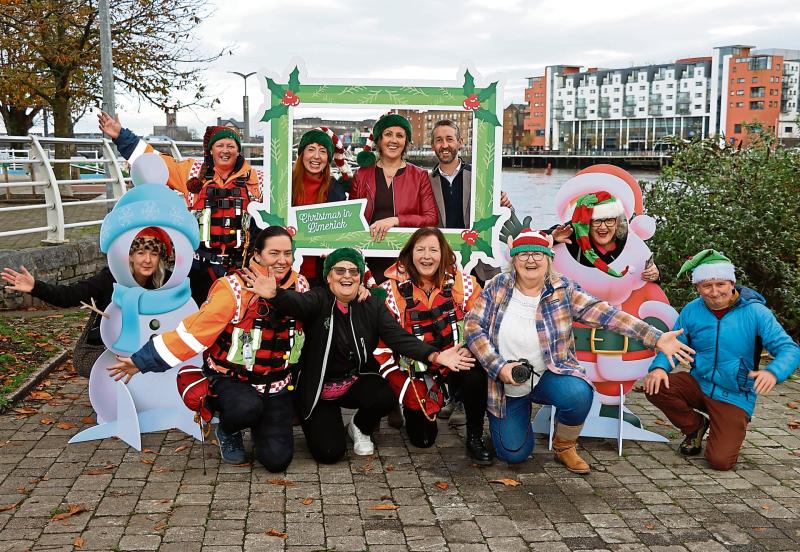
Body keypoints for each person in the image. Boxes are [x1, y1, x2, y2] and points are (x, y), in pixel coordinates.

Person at [464, 229, 695, 472]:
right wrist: (498, 367)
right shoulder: (497, 286)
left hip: (550, 372)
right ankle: (510, 426)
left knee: (579, 394)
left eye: (537, 254)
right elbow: (472, 326)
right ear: (513, 259)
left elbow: (607, 314)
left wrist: (655, 338)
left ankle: (565, 446)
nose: (530, 260)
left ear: (548, 259)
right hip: (506, 382)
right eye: (523, 254)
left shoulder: (562, 288)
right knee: (514, 454)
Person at [107, 227, 311, 472]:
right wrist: (141, 361)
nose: (282, 260)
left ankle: (263, 423)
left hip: (276, 383)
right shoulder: (233, 289)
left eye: (287, 253)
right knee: (245, 408)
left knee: (277, 461)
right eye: (274, 253)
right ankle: (227, 428)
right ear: (256, 254)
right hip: (234, 380)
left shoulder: (300, 284)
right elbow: (191, 334)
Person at [250, 247, 475, 463]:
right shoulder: (318, 299)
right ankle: (327, 424)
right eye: (339, 270)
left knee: (385, 395)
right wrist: (275, 295)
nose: (346, 276)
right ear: (328, 277)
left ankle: (359, 426)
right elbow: (296, 302)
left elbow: (398, 337)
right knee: (329, 453)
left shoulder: (371, 305)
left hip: (354, 383)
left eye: (353, 271)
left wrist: (436, 356)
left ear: (359, 278)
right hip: (320, 391)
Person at [644, 250, 800, 471]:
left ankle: (726, 426)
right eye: (707, 286)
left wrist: (774, 371)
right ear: (697, 287)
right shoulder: (691, 310)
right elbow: (674, 345)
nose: (715, 292)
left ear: (732, 283)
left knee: (720, 462)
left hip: (735, 394)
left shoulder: (756, 312)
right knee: (656, 384)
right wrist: (659, 367)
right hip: (700, 383)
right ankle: (695, 427)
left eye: (720, 284)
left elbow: (789, 348)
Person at [98, 112, 262, 305]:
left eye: (231, 146)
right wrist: (120, 135)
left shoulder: (256, 179)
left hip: (240, 268)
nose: (225, 151)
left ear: (238, 151)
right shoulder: (191, 174)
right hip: (200, 267)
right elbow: (154, 161)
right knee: (198, 313)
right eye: (220, 145)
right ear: (211, 150)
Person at [376, 227, 492, 464]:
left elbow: (481, 325)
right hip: (414, 368)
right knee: (423, 440)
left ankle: (475, 436)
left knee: (476, 375)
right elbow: (383, 346)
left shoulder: (466, 284)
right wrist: (403, 385)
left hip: (456, 360)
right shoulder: (389, 292)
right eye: (420, 249)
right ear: (409, 253)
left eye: (433, 250)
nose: (426, 256)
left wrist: (466, 351)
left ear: (444, 254)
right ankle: (408, 405)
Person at [2, 227, 172, 375]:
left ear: (159, 259)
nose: (148, 260)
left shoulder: (168, 283)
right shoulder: (109, 279)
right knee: (103, 366)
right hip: (104, 346)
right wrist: (35, 287)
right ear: (130, 257)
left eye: (154, 254)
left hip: (149, 345)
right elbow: (69, 295)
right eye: (141, 253)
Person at [350, 113, 438, 283]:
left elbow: (431, 219)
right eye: (388, 134)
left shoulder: (419, 176)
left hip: (406, 259)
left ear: (406, 141)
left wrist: (395, 220)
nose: (394, 140)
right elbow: (351, 219)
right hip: (367, 258)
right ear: (379, 140)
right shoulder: (361, 175)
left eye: (400, 135)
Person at [551, 191, 660, 282]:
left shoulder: (627, 241)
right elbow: (536, 238)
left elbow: (643, 264)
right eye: (596, 221)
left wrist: (655, 274)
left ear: (617, 222)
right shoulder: (573, 231)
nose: (603, 227)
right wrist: (553, 238)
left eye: (609, 220)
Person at [292, 127, 350, 286]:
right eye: (311, 149)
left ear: (328, 158)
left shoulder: (335, 190)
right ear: (302, 153)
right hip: (286, 272)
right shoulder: (284, 185)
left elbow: (343, 232)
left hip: (322, 275)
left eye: (323, 151)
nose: (316, 156)